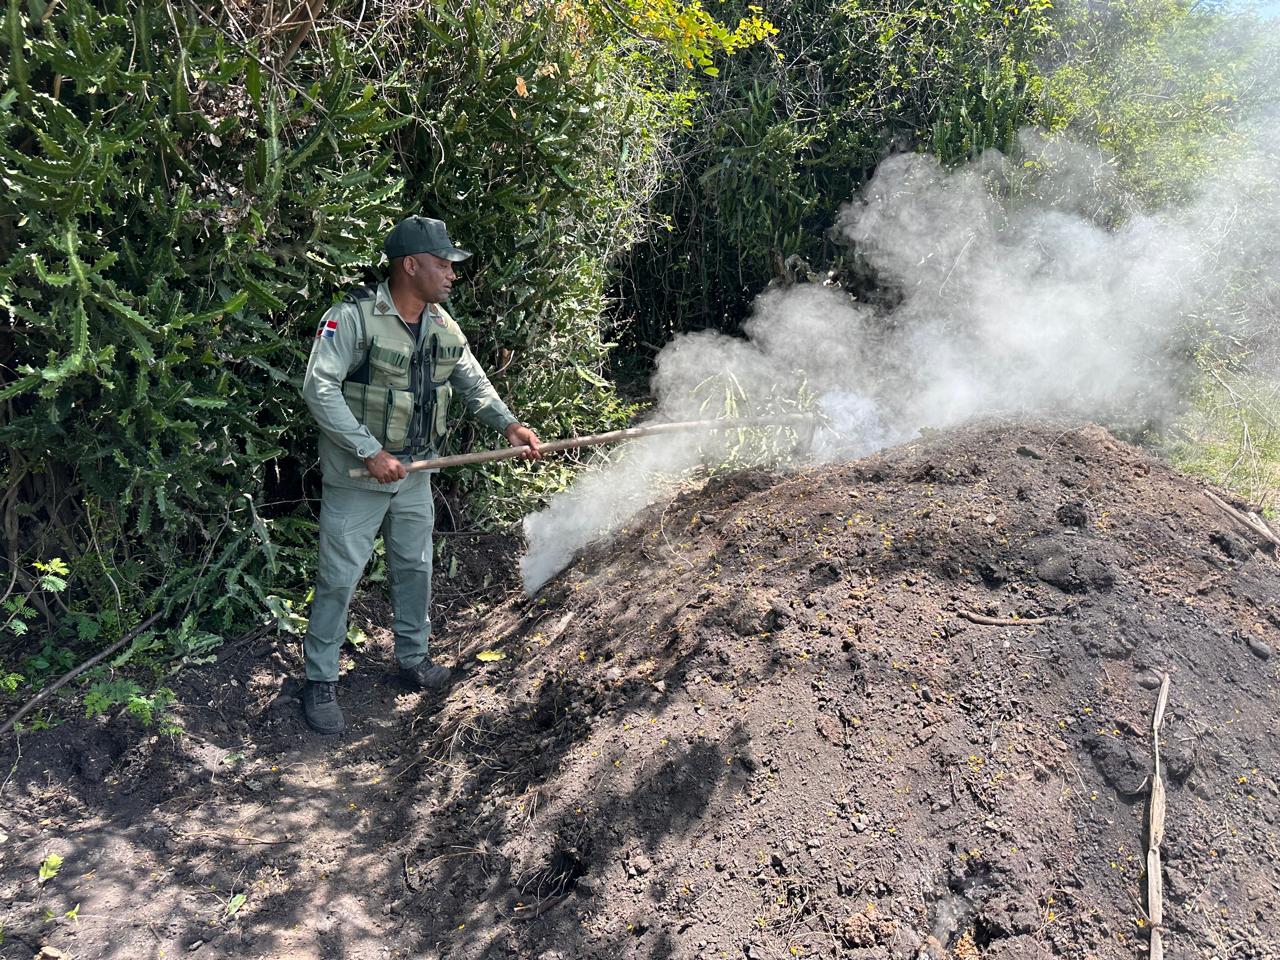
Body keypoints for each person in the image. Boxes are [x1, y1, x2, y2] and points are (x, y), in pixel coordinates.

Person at [299, 215, 541, 734]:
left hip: (416, 474)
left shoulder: (442, 325)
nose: (452, 273)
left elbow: (473, 383)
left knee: (416, 568)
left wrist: (511, 426)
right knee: (339, 578)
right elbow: (319, 389)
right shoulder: (355, 319)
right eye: (443, 263)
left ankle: (412, 660)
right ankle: (320, 681)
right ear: (411, 265)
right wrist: (369, 452)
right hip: (358, 477)